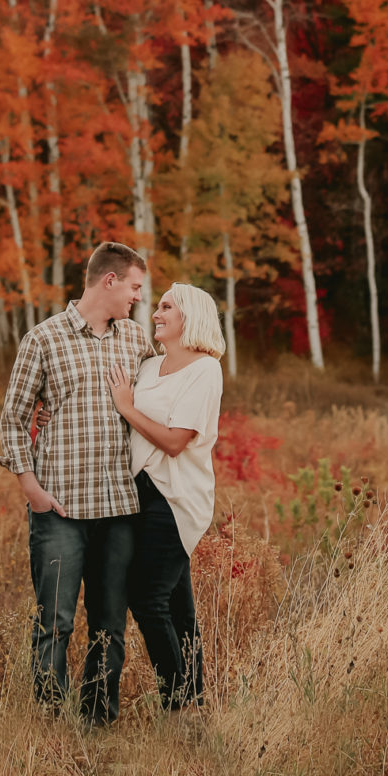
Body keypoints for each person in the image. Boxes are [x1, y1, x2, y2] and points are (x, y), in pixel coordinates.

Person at [0, 242, 153, 726]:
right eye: (133, 287)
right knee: (55, 623)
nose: (137, 298)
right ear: (108, 281)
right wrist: (31, 489)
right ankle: (49, 723)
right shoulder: (42, 340)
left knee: (110, 625)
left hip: (119, 510)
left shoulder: (136, 340)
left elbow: (164, 396)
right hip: (59, 509)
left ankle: (98, 721)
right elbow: (13, 420)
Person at [107, 282, 225, 711]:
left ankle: (176, 704)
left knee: (146, 598)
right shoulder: (149, 367)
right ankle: (194, 705)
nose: (156, 313)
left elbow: (176, 441)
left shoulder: (205, 369)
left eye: (166, 307)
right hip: (140, 491)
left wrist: (127, 407)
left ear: (188, 317)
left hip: (176, 497)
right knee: (179, 606)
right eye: (157, 307)